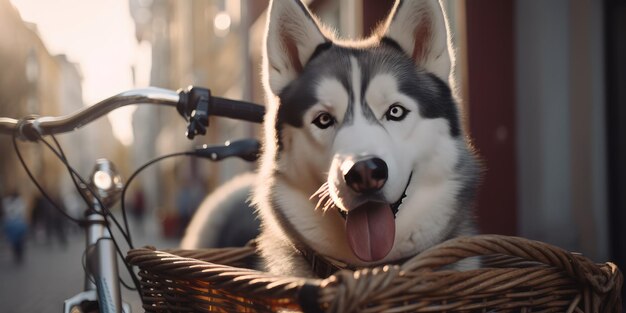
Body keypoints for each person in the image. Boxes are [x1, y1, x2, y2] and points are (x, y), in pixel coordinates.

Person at [2, 191, 28, 264]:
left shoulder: (13, 202)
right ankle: (18, 254)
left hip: (17, 224)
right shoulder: (8, 202)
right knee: (16, 242)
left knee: (19, 242)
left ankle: (19, 254)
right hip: (16, 224)